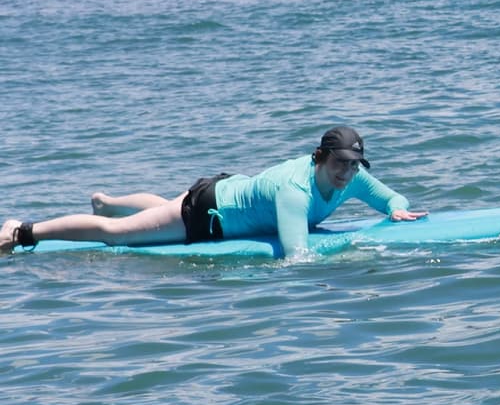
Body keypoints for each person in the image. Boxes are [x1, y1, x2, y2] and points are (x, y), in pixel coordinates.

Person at [2, 126, 423, 256]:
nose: (347, 175)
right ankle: (22, 230)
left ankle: (108, 202)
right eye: (340, 164)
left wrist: (397, 211)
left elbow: (393, 199)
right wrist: (361, 251)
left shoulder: (351, 177)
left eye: (354, 165)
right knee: (119, 236)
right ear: (319, 157)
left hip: (228, 189)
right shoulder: (295, 191)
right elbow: (297, 256)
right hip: (207, 213)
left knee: (165, 210)